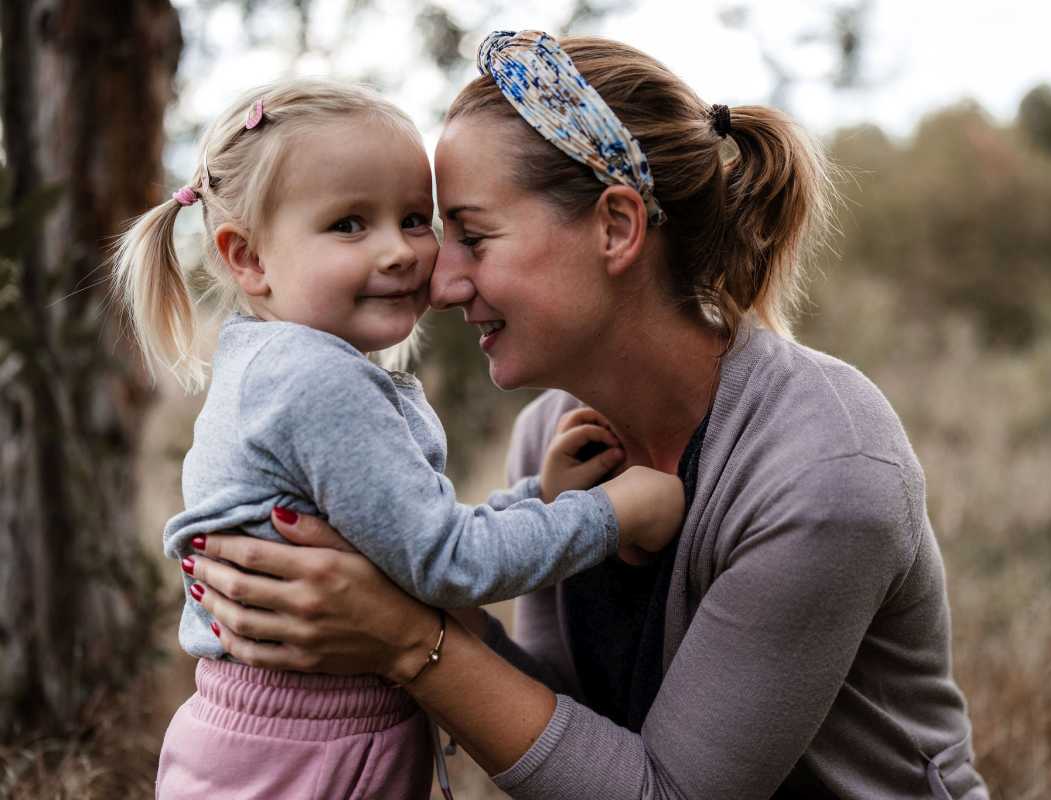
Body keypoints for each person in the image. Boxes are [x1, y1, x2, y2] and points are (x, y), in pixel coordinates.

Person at [182, 32, 990, 799]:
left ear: (615, 227)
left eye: (469, 234)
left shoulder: (821, 472)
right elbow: (567, 739)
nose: (440, 279)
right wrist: (412, 584)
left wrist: (402, 638)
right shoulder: (556, 436)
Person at [112, 76, 684, 800]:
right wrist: (614, 514)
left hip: (270, 739)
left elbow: (405, 542)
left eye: (416, 219)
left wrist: (538, 499)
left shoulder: (268, 364)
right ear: (247, 257)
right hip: (310, 754)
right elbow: (446, 564)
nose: (403, 253)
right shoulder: (320, 383)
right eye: (350, 225)